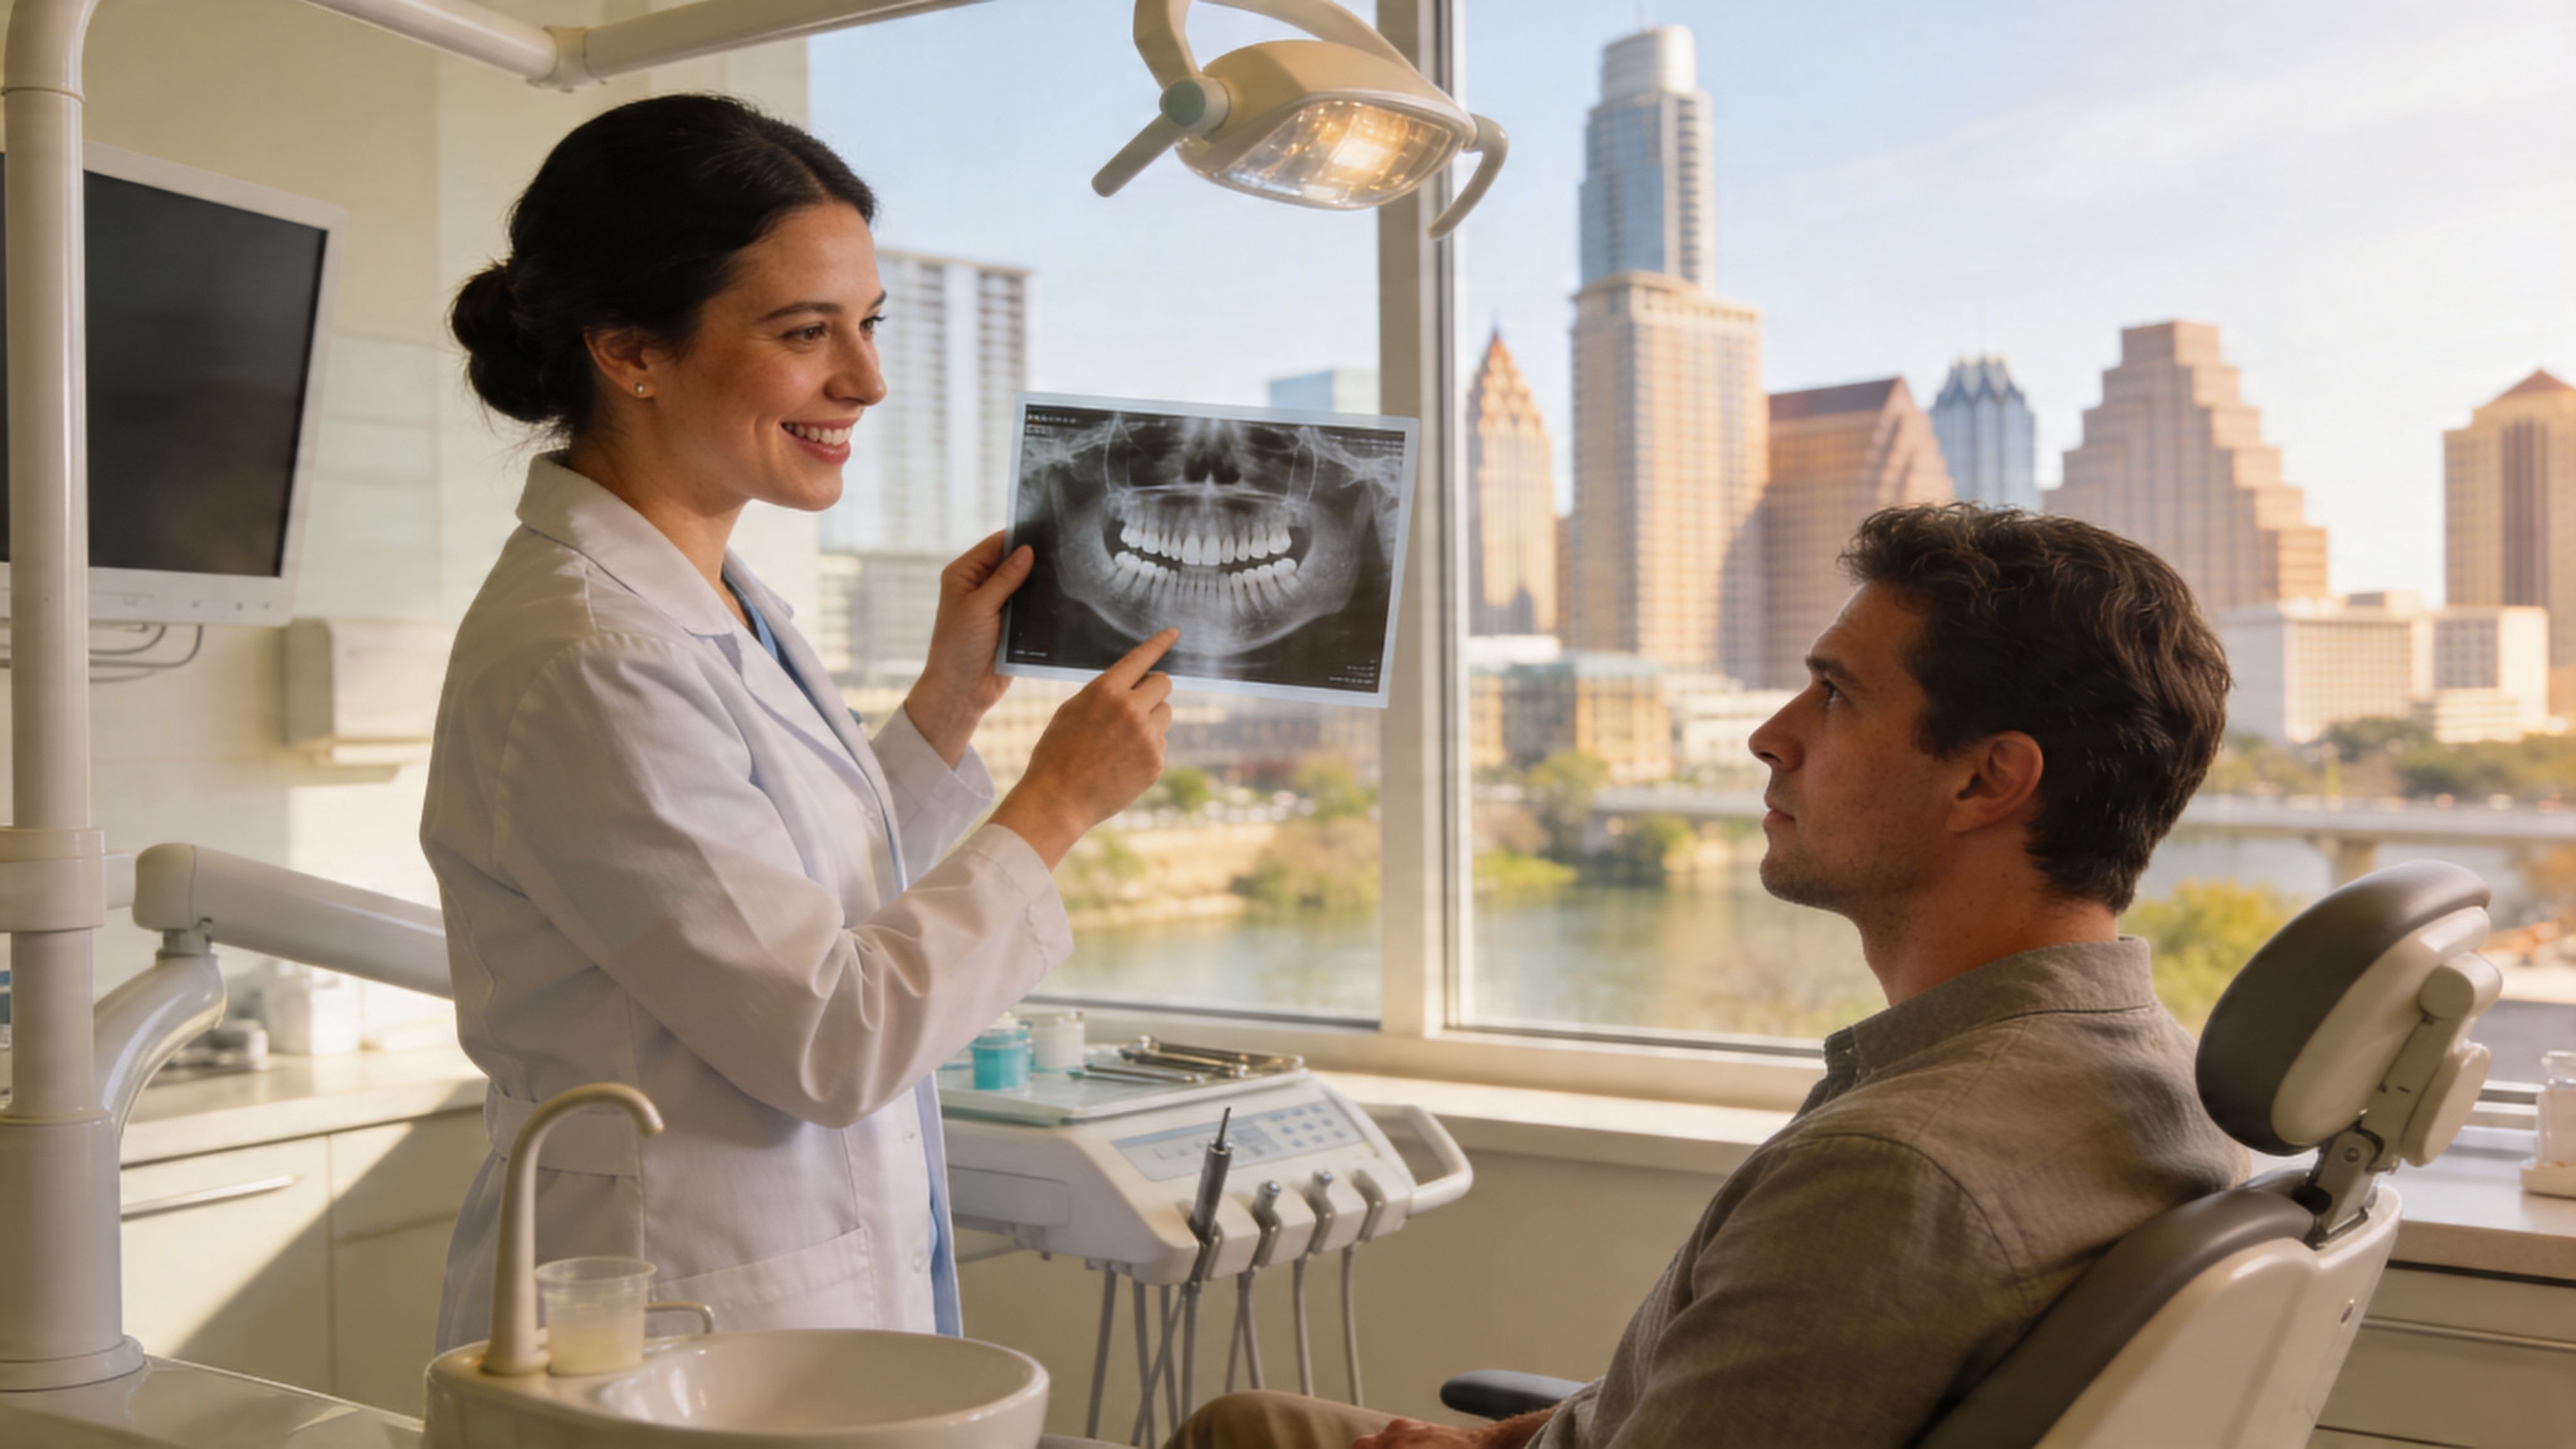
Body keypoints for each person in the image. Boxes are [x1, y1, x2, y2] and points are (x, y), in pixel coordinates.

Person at [1177, 504, 2248, 1448]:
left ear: (1985, 779)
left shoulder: (1895, 1173)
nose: (1767, 736)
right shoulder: (2160, 1076)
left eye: (1833, 695)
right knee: (1253, 1423)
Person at [423, 94, 1175, 1348]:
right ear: (630, 351)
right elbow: (829, 1036)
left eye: (867, 326)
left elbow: (798, 893)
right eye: (804, 331)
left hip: (773, 1310)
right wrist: (1055, 805)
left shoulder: (713, 600)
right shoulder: (591, 655)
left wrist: (946, 707)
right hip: (670, 1328)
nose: (865, 380)